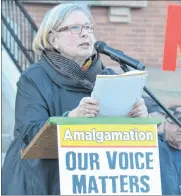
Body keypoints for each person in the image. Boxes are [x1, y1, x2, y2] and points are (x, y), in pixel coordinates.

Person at [2, 3, 149, 195]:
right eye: (75, 28)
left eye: (88, 27)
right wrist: (71, 119)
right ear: (53, 40)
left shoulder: (110, 78)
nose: (85, 33)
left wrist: (140, 119)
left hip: (93, 182)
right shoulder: (34, 78)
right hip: (42, 182)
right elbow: (29, 134)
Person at [144, 96, 180, 194]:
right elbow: (168, 186)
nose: (164, 120)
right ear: (148, 116)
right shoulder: (156, 146)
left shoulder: (161, 142)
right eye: (161, 115)